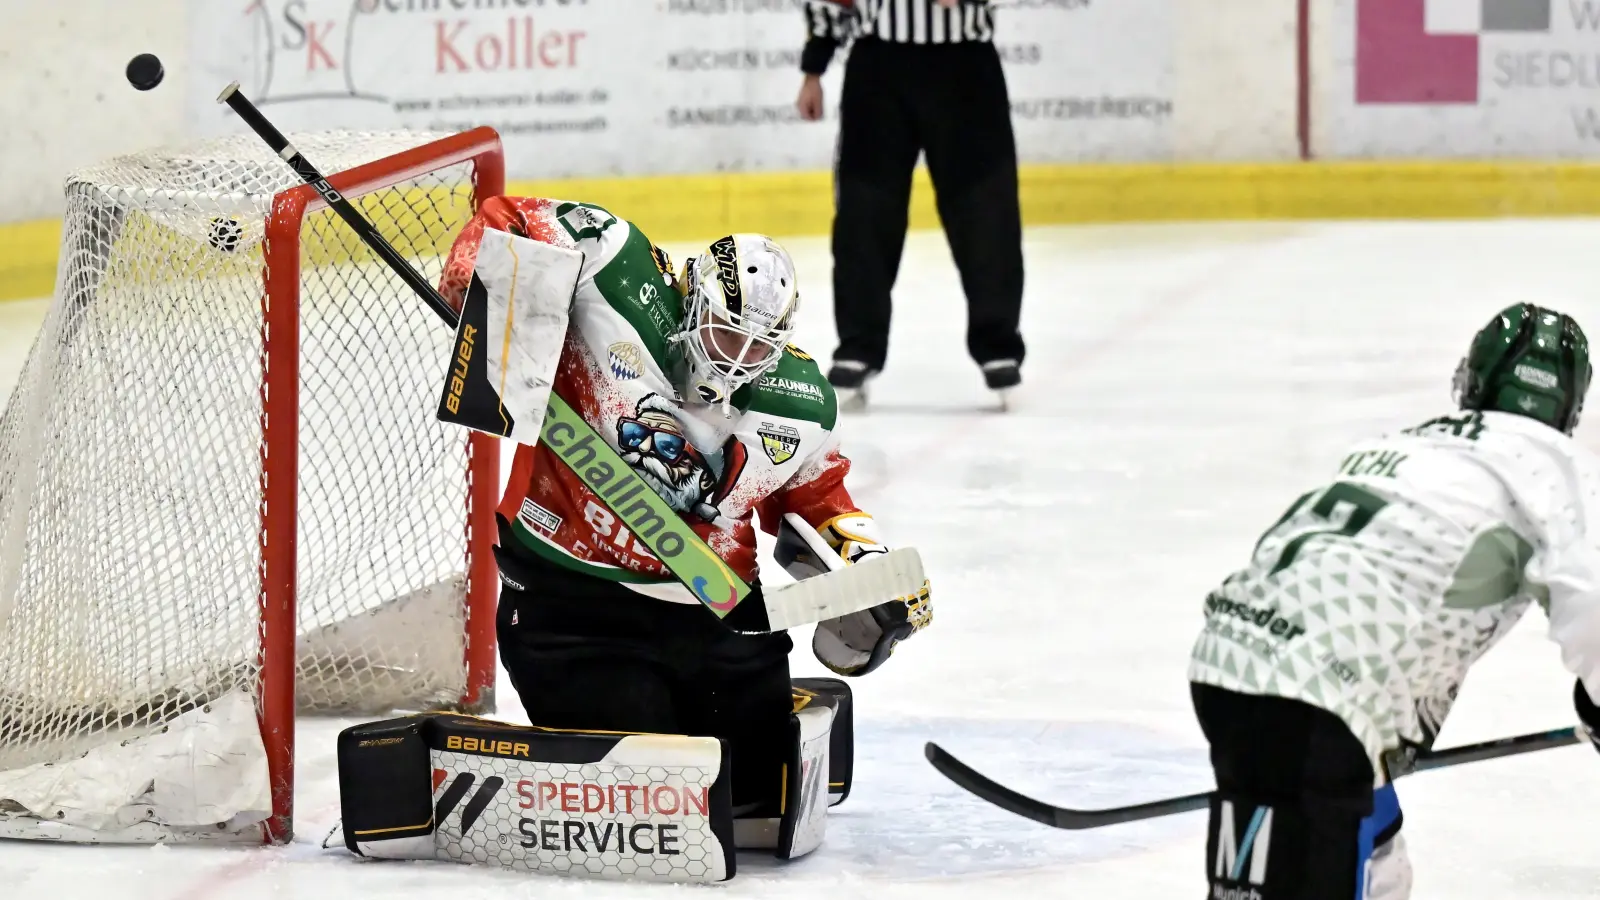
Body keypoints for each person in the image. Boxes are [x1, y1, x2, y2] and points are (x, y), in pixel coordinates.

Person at [436, 196, 932, 822]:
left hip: (717, 613)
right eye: (725, 334)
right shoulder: (612, 267)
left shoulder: (800, 404)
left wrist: (869, 570)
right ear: (692, 299)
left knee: (754, 794)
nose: (732, 362)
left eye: (756, 350)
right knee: (658, 791)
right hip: (571, 608)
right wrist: (483, 270)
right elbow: (510, 216)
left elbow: (818, 502)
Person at [1187, 303, 1599, 899]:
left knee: (1377, 863)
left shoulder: (1407, 445)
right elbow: (1592, 607)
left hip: (1234, 660)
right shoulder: (1558, 470)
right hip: (1321, 699)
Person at [797, 0, 1025, 408]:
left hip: (966, 68)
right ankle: (858, 347)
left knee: (985, 209)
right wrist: (814, 68)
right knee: (864, 214)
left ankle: (998, 345)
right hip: (877, 68)